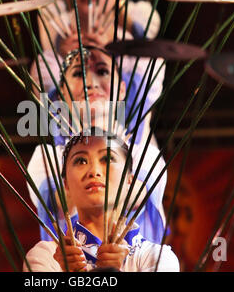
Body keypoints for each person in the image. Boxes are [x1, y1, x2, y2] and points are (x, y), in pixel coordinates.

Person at [27, 46, 167, 244]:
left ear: (121, 90)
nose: (90, 82)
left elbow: (136, 196)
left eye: (102, 71)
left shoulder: (145, 156)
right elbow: (60, 203)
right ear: (61, 95)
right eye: (78, 74)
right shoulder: (45, 158)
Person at [24, 130, 179, 272]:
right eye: (80, 161)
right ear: (66, 185)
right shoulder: (46, 257)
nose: (94, 171)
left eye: (107, 158)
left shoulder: (157, 258)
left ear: (130, 181)